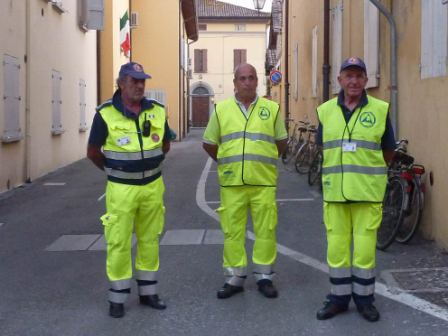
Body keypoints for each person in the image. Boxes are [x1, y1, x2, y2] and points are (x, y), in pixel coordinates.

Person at [87, 62, 171, 318]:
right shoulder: (105, 114)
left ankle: (148, 293)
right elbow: (93, 153)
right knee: (119, 241)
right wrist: (116, 171)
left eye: (142, 81)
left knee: (150, 239)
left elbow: (165, 145)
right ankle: (118, 297)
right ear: (121, 83)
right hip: (121, 189)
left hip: (152, 186)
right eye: (133, 80)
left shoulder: (157, 111)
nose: (139, 85)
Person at [315, 57, 396, 322]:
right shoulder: (326, 111)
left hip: (367, 195)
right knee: (337, 250)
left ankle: (364, 300)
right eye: (348, 76)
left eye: (359, 76)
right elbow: (321, 147)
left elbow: (388, 151)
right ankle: (338, 299)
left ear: (366, 81)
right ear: (339, 80)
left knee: (363, 251)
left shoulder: (380, 109)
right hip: (336, 194)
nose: (353, 81)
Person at [202, 63, 288, 300]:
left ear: (257, 81)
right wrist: (227, 163)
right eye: (242, 78)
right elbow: (209, 143)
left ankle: (264, 277)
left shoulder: (271, 109)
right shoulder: (222, 110)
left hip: (263, 182)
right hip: (232, 184)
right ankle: (234, 278)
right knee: (232, 232)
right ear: (235, 82)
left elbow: (281, 142)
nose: (247, 82)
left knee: (266, 231)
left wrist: (264, 161)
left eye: (251, 78)